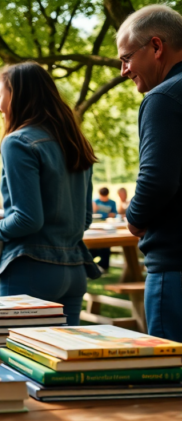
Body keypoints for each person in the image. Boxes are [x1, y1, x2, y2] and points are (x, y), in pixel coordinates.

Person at [0, 62, 99, 326]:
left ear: (16, 95)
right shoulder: (74, 142)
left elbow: (29, 220)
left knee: (16, 362)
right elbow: (83, 219)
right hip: (74, 270)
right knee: (63, 364)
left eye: (0, 97)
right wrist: (5, 217)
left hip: (31, 270)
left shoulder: (17, 142)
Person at [117, 5, 182, 341]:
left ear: (156, 47)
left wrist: (134, 219)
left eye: (126, 57)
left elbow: (156, 179)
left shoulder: (163, 98)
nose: (124, 70)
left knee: (172, 385)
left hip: (174, 266)